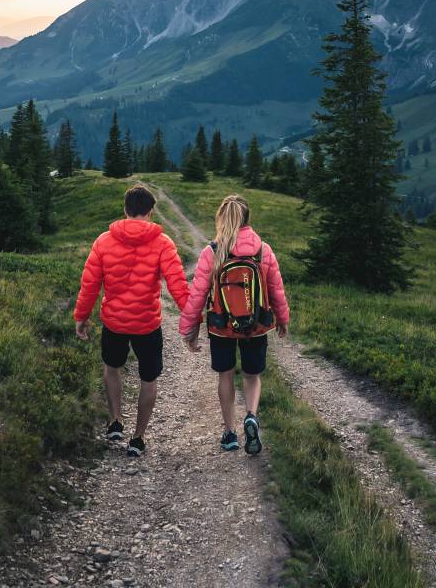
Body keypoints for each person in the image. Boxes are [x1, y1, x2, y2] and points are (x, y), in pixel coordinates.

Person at [74, 184, 190, 456]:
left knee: (111, 367)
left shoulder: (104, 241)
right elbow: (178, 286)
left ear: (125, 210)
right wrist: (191, 320)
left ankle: (115, 421)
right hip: (147, 324)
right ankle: (137, 438)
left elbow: (89, 285)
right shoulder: (163, 244)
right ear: (150, 212)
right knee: (148, 380)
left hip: (113, 322)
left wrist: (82, 316)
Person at [178, 194, 289, 454]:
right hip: (256, 325)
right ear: (247, 219)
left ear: (222, 219)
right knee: (252, 376)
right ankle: (251, 414)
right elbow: (277, 290)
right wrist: (282, 319)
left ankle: (229, 433)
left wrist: (189, 329)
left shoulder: (213, 252)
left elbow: (197, 295)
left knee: (225, 375)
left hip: (221, 326)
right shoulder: (264, 250)